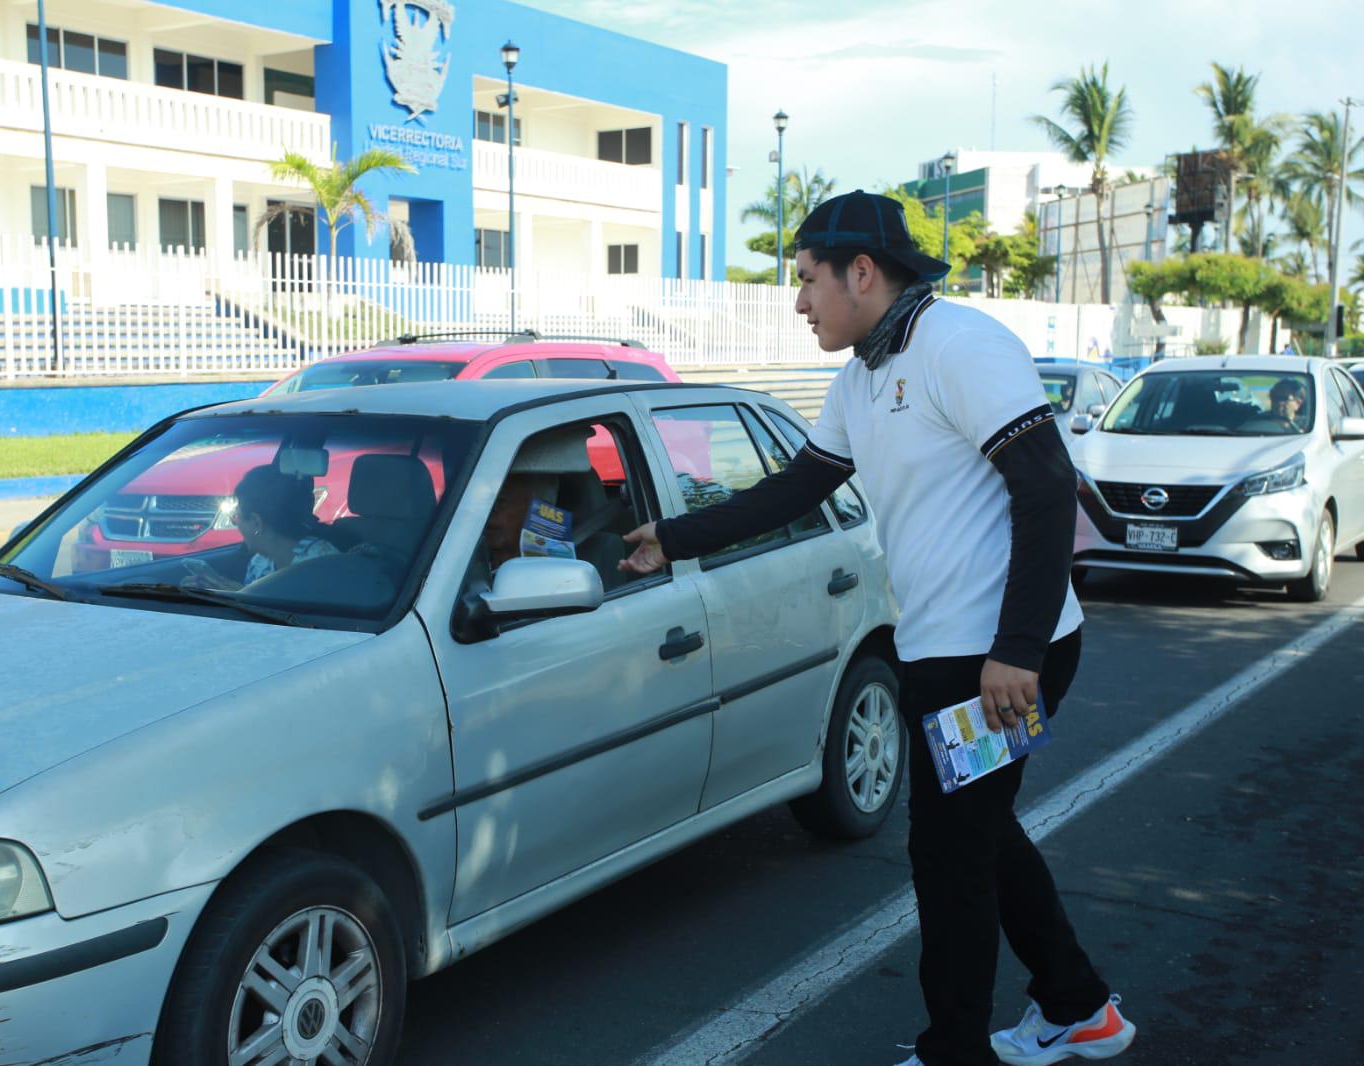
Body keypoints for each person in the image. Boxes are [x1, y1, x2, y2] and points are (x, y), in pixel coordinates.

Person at [619, 190, 1134, 1066]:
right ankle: (1080, 1006)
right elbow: (794, 491)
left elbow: (1046, 487)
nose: (798, 301)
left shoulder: (962, 347)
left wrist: (1016, 653)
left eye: (807, 280)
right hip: (942, 652)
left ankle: (956, 1049)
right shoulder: (860, 377)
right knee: (979, 835)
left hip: (1004, 656)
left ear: (862, 273)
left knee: (948, 853)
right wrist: (671, 537)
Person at [186, 464, 337, 589]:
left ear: (257, 522)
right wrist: (237, 593)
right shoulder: (259, 562)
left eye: (236, 517)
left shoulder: (323, 561)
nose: (235, 523)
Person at [484, 471, 560, 570]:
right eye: (486, 500)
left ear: (539, 511)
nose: (489, 510)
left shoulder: (553, 573)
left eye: (501, 501)